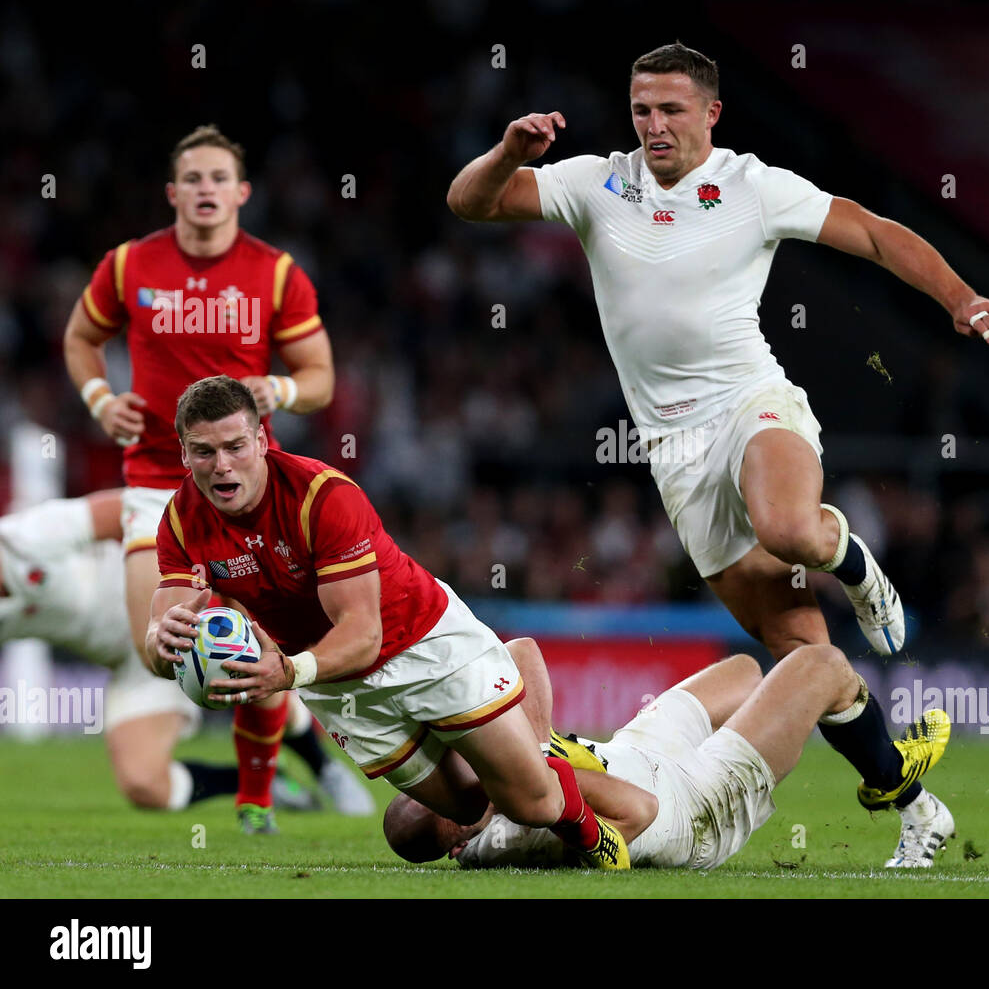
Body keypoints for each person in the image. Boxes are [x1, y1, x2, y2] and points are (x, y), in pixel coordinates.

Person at [446, 42, 989, 847]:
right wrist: (508, 153)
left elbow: (875, 235)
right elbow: (470, 203)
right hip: (675, 453)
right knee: (805, 657)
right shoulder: (597, 181)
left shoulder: (753, 187)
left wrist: (959, 297)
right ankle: (915, 806)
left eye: (672, 110)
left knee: (787, 527)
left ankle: (852, 562)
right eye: (642, 110)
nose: (654, 125)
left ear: (712, 112)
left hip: (753, 403)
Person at [143, 375, 630, 866]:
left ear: (262, 441)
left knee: (533, 803)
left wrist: (288, 673)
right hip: (338, 686)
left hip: (422, 642)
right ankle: (519, 741)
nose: (222, 465)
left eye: (235, 446)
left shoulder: (322, 497)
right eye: (204, 452)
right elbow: (163, 636)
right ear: (184, 455)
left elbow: (362, 634)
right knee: (466, 807)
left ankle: (587, 827)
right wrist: (161, 644)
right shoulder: (182, 522)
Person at [63, 125, 337, 832]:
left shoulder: (275, 273)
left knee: (266, 647)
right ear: (173, 193)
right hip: (155, 481)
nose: (206, 189)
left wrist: (280, 388)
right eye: (193, 179)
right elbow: (81, 339)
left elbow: (320, 379)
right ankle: (284, 749)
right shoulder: (129, 265)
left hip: (251, 483)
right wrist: (99, 399)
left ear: (241, 192)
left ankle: (255, 796)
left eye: (219, 178)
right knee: (158, 651)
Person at [383, 637, 955, 870]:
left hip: (634, 749)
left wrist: (533, 742)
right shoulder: (522, 821)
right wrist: (542, 760)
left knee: (745, 671)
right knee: (822, 665)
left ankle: (861, 745)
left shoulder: (488, 784)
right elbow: (641, 812)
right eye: (451, 807)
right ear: (460, 839)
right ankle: (907, 797)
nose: (457, 784)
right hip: (687, 804)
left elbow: (521, 650)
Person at [0, 490, 371, 814]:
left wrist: (186, 577)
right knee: (145, 785)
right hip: (134, 665)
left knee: (250, 666)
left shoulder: (28, 535)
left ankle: (323, 766)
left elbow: (132, 509)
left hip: (176, 618)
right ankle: (259, 779)